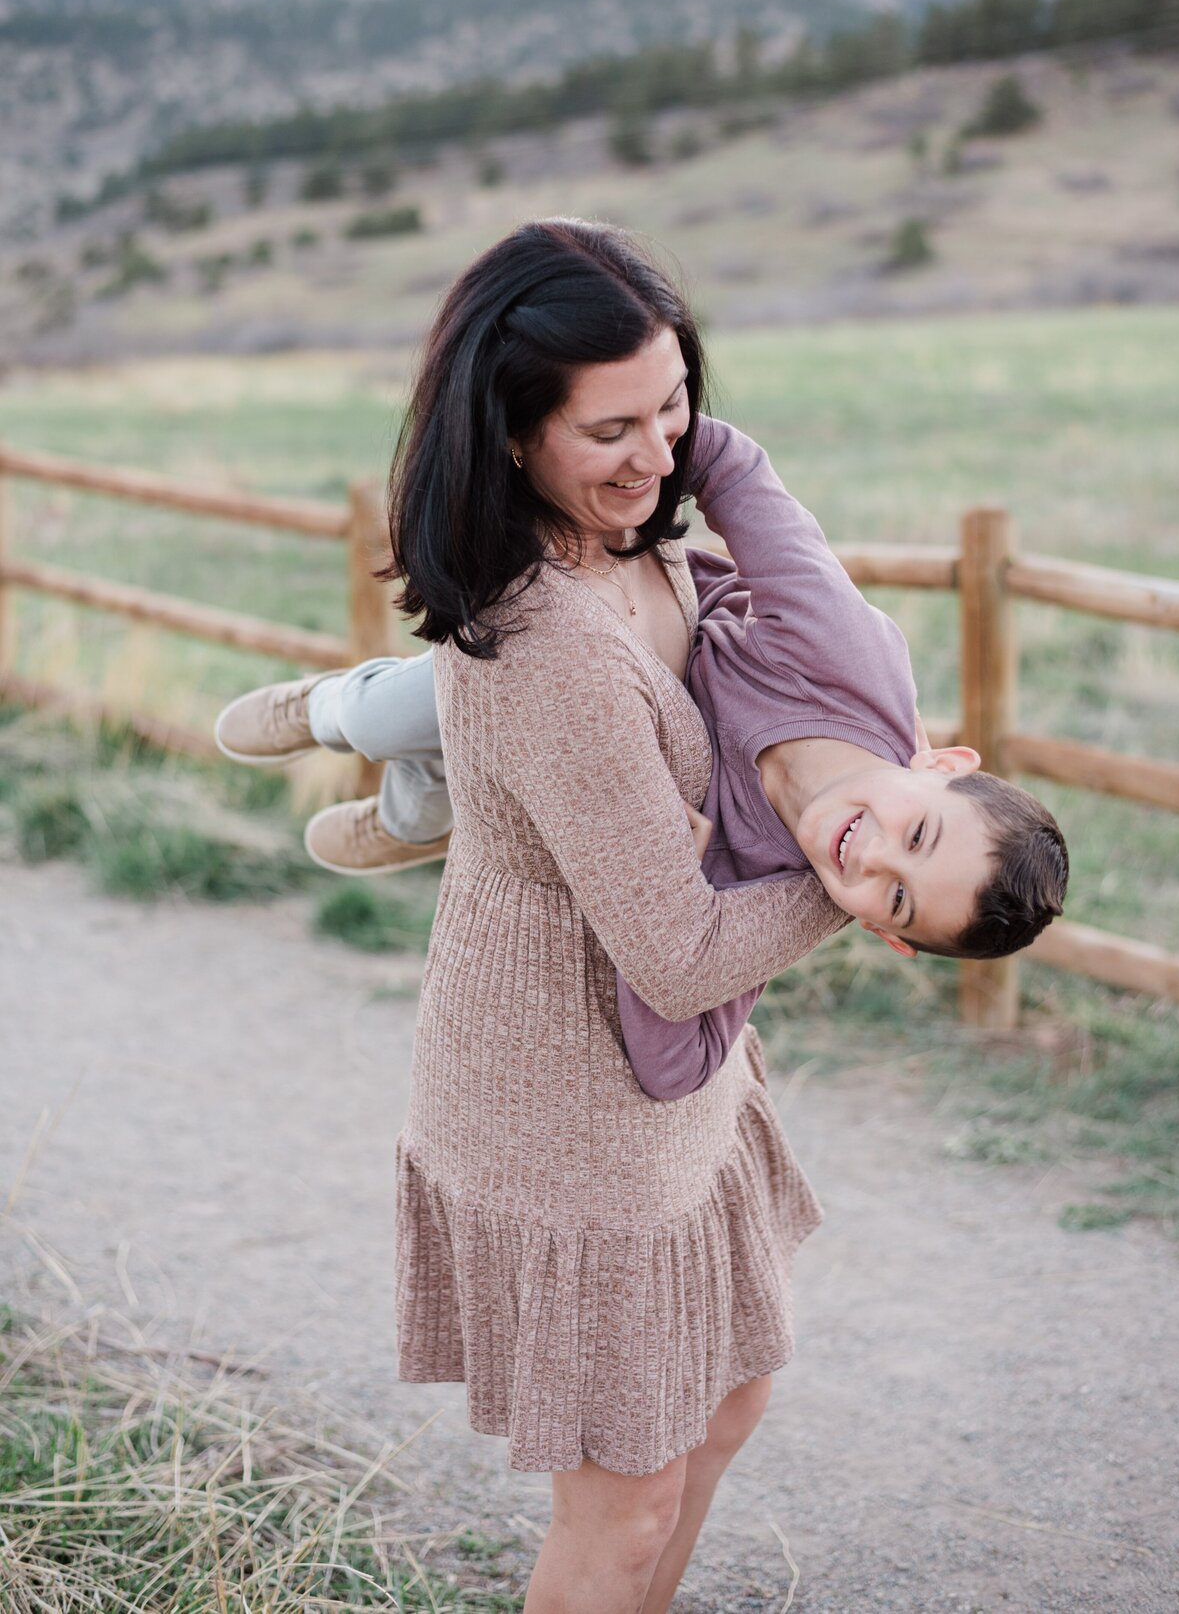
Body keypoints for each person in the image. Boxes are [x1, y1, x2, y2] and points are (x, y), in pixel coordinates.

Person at [220, 217, 861, 1612]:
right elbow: (680, 950)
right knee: (623, 1506)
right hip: (569, 1102)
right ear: (512, 435)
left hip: (681, 1083)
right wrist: (866, 869)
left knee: (731, 1404)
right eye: (610, 427)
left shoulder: (663, 562)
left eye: (676, 405)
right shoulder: (540, 642)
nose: (657, 452)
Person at [218, 418, 1069, 1103]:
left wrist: (677, 881)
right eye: (918, 834)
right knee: (410, 704)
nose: (873, 854)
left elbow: (678, 1065)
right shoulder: (850, 658)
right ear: (941, 763)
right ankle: (327, 709)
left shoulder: (773, 890)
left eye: (895, 898)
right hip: (623, 641)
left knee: (463, 792)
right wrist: (636, 439)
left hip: (593, 767)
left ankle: (409, 821)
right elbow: (734, 471)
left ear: (889, 937)